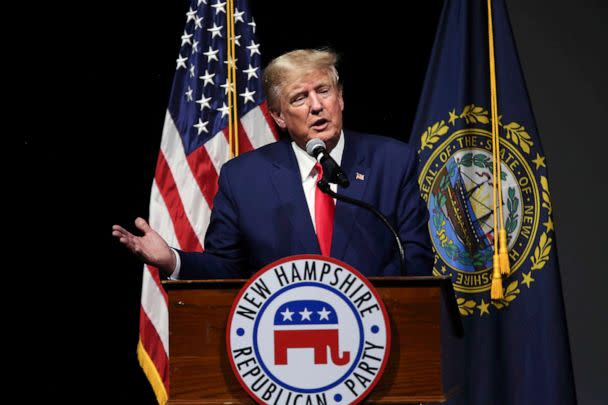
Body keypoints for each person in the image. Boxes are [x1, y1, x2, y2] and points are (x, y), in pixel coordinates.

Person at [112, 49, 433, 279]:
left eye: (324, 91)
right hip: (282, 344)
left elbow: (415, 259)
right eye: (299, 98)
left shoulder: (393, 161)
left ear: (341, 98)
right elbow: (226, 267)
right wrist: (172, 260)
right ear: (278, 116)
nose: (317, 106)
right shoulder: (244, 178)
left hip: (379, 336)